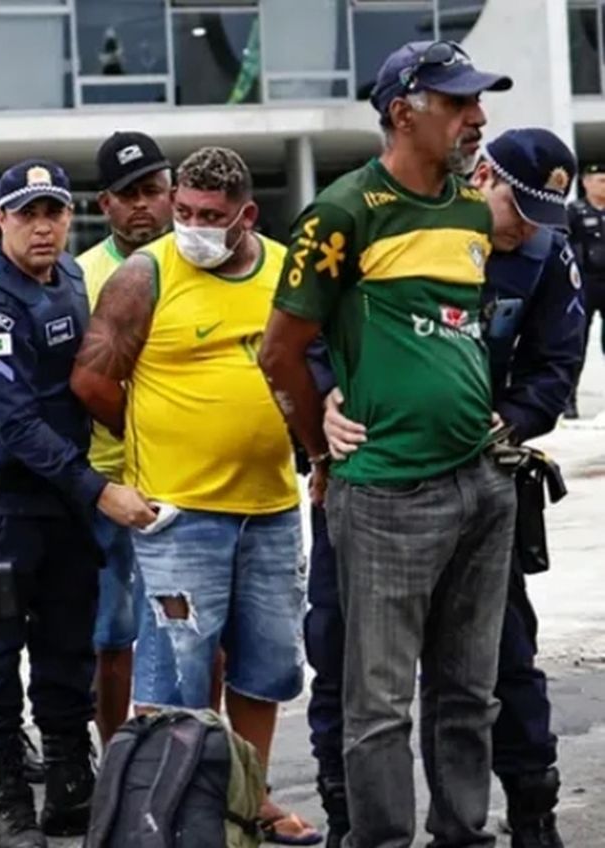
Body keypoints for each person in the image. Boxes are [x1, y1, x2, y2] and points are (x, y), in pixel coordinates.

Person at [256, 40, 516, 848]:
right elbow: (279, 350)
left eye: (478, 102)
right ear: (403, 111)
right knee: (378, 707)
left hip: (484, 481)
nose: (477, 118)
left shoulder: (473, 211)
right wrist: (322, 446)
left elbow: (453, 333)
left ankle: (463, 834)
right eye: (458, 103)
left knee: (470, 695)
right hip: (389, 493)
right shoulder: (342, 213)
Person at [301, 129, 584, 848]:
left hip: (479, 479)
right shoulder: (389, 222)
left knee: (498, 664)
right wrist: (325, 405)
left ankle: (529, 810)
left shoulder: (547, 255)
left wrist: (513, 418)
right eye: (515, 210)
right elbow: (300, 333)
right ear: (484, 175)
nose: (521, 230)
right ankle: (350, 820)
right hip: (375, 479)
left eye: (538, 218)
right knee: (346, 664)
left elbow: (556, 363)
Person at [72, 146, 318, 846]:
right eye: (183, 211)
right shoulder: (142, 275)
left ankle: (248, 801)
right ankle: (168, 815)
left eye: (210, 216)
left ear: (246, 215)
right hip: (179, 515)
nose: (191, 227)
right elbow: (91, 381)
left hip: (270, 509)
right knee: (175, 678)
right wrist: (157, 432)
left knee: (265, 667)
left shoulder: (281, 269)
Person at [0, 159, 155, 847]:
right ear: (0, 220)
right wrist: (100, 489)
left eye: (53, 212)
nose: (42, 227)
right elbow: (16, 421)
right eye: (27, 214)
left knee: (67, 647)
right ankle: (7, 800)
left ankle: (69, 785)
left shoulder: (69, 278)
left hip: (59, 499)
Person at [69, 131, 172, 746]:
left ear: (173, 192)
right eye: (128, 194)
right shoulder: (80, 277)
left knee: (194, 635)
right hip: (109, 482)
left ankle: (194, 758)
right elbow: (79, 383)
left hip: (190, 482)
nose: (142, 206)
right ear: (103, 205)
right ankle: (116, 759)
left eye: (153, 191)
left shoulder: (199, 263)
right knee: (112, 634)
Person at [567, 163, 605, 419]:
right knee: (577, 343)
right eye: (600, 180)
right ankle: (569, 400)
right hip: (586, 284)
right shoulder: (575, 211)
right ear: (586, 183)